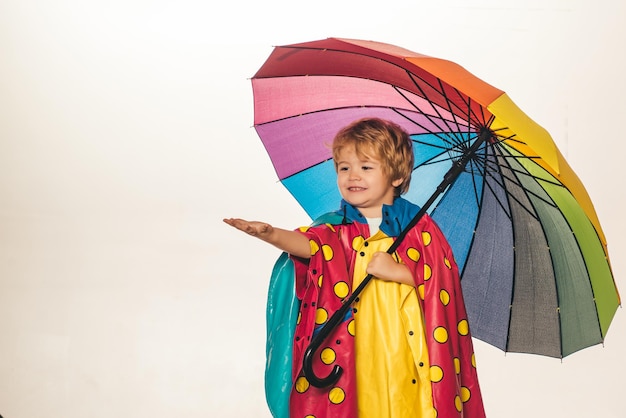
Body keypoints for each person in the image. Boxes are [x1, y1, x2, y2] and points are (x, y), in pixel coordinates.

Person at [224, 118, 485, 418]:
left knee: (404, 402)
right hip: (355, 344)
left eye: (366, 167)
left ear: (396, 176)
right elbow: (310, 246)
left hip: (403, 346)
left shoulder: (421, 230)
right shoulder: (338, 226)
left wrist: (399, 271)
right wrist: (269, 233)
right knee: (361, 400)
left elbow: (443, 284)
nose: (352, 176)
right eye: (344, 167)